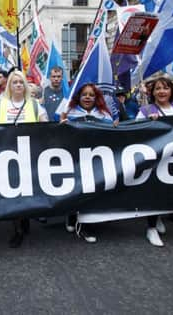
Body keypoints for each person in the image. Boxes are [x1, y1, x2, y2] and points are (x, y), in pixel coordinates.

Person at [0, 70, 48, 248]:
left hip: (29, 154)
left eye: (20, 82)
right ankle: (17, 229)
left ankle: (25, 219)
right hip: (7, 155)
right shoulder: (0, 104)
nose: (18, 85)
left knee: (26, 190)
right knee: (13, 191)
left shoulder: (35, 105)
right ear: (9, 85)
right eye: (14, 82)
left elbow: (46, 125)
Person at [136, 76, 173, 246]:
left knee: (168, 190)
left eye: (165, 88)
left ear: (171, 90)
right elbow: (133, 131)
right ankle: (151, 227)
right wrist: (148, 123)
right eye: (157, 88)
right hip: (154, 157)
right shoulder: (145, 110)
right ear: (152, 92)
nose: (161, 92)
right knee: (155, 190)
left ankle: (158, 217)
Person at [60, 84, 114, 243]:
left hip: (97, 159)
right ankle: (71, 216)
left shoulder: (104, 114)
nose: (88, 97)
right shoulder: (70, 112)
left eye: (91, 94)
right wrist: (62, 126)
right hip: (76, 158)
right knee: (75, 189)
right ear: (79, 96)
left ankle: (85, 224)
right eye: (84, 94)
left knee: (91, 191)